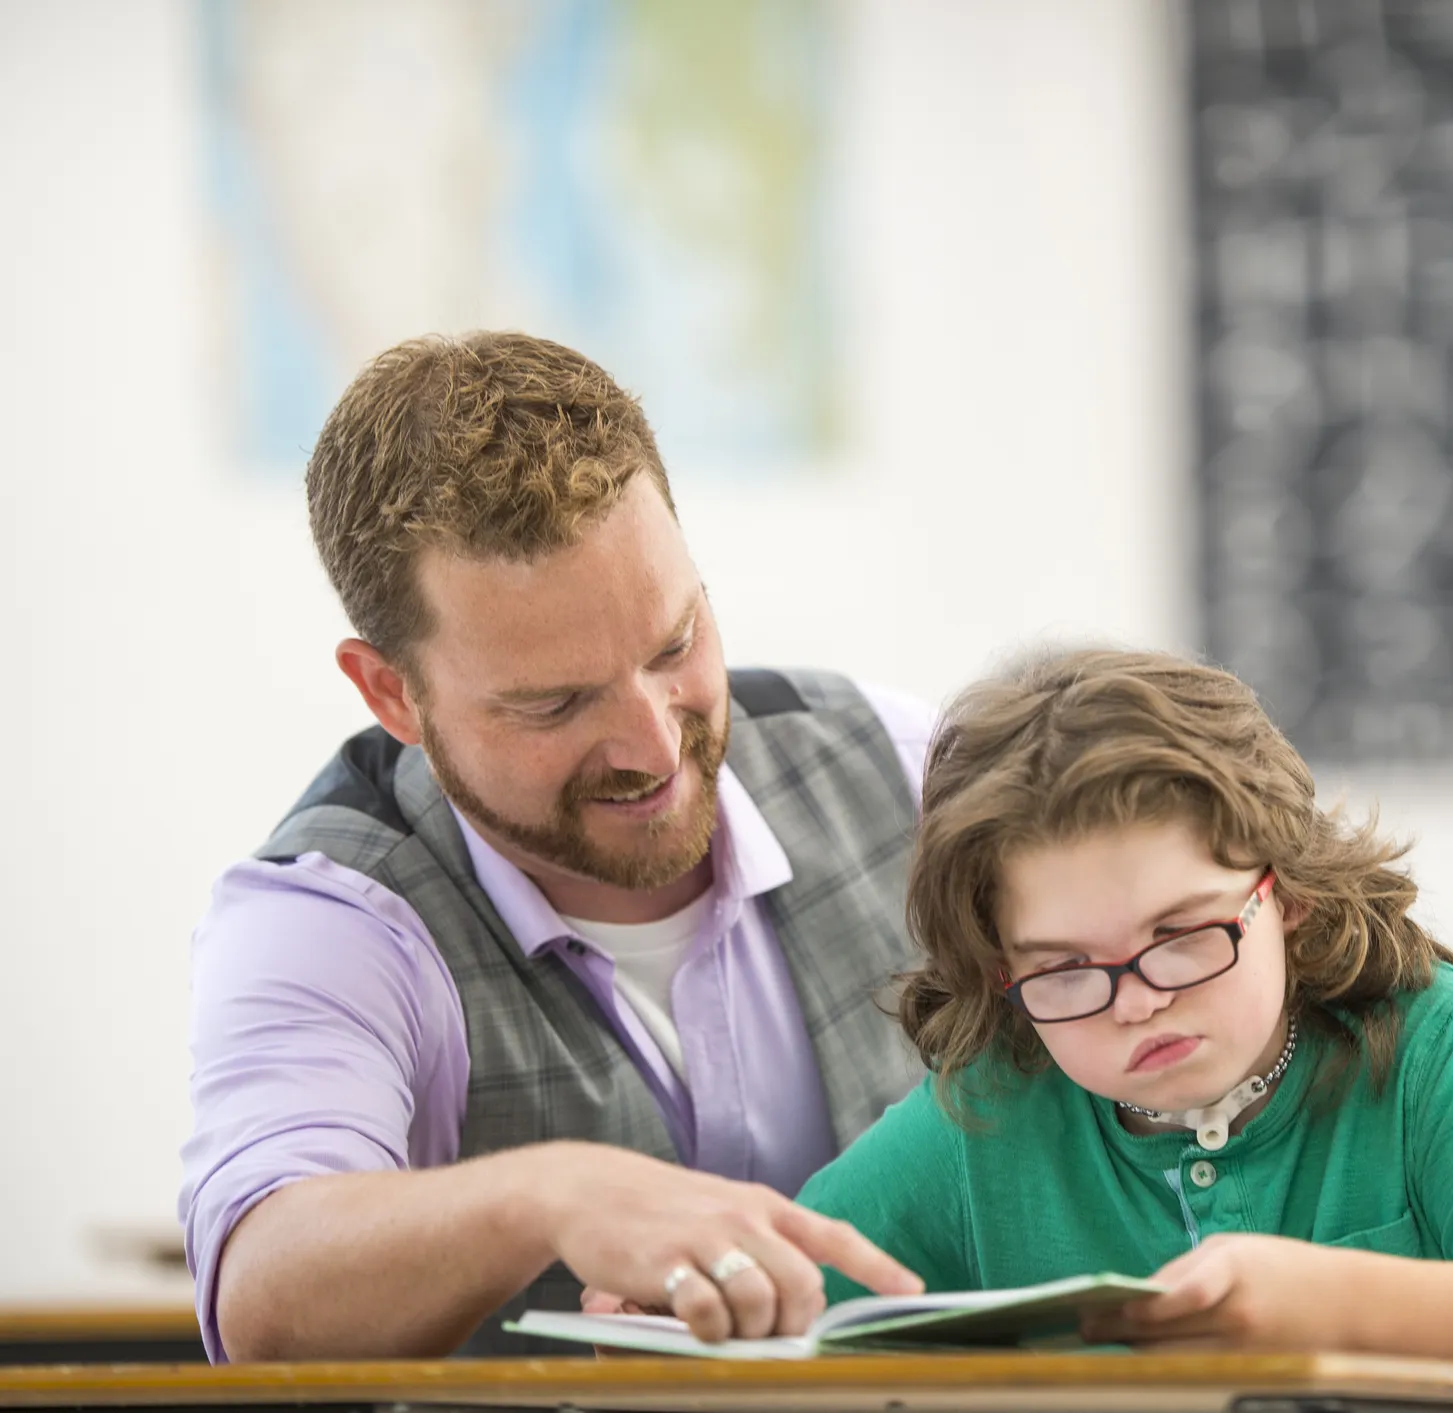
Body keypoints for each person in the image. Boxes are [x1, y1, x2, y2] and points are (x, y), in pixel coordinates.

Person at [180, 333, 931, 1362]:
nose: (653, 743)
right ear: (391, 691)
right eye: (553, 702)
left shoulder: (902, 767)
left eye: (674, 645)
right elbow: (264, 1293)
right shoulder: (330, 918)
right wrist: (550, 1197)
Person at [789, 649, 1453, 1371]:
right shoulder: (985, 1112)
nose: (1136, 1001)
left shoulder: (1428, 1042)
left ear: (1286, 895)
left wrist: (1319, 1298)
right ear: (997, 973)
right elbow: (780, 1305)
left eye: (1180, 935)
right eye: (1064, 969)